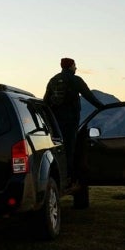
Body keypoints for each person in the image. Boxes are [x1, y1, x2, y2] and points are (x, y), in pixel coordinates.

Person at [44, 57, 104, 185]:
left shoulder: (53, 80)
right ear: (70, 66)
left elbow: (45, 101)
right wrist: (101, 106)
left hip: (55, 121)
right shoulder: (76, 80)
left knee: (58, 148)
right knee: (70, 148)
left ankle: (57, 175)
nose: (76, 68)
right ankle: (69, 178)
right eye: (75, 65)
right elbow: (88, 95)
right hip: (71, 120)